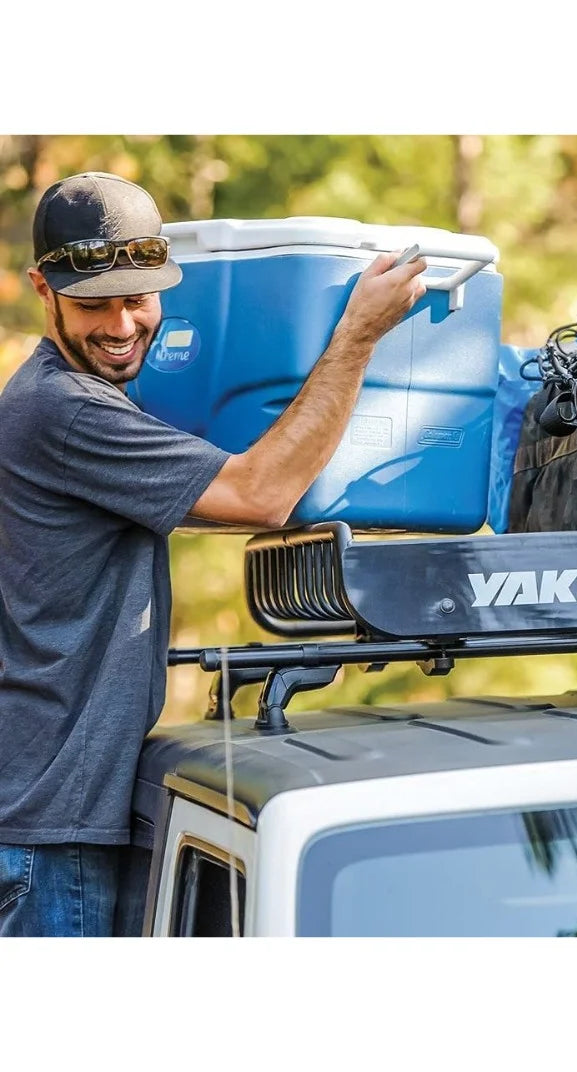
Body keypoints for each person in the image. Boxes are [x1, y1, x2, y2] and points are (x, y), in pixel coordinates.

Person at [0, 171, 427, 936]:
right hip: (47, 834)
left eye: (139, 297)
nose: (122, 323)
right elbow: (261, 497)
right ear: (44, 287)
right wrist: (357, 334)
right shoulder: (61, 411)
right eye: (94, 302)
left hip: (54, 819)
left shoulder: (83, 401)